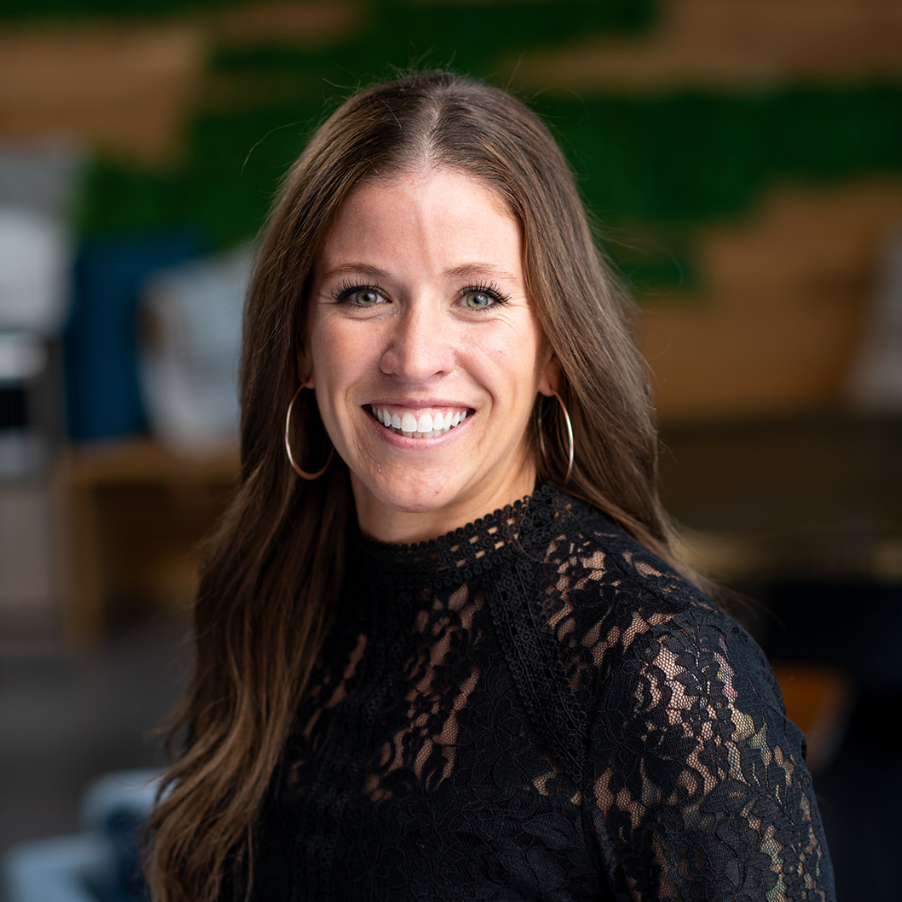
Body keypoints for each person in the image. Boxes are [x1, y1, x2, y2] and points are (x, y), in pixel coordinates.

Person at [147, 71, 836, 902]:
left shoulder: (659, 668)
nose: (415, 356)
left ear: (554, 350)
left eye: (478, 297)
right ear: (300, 344)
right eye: (364, 294)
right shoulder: (267, 599)